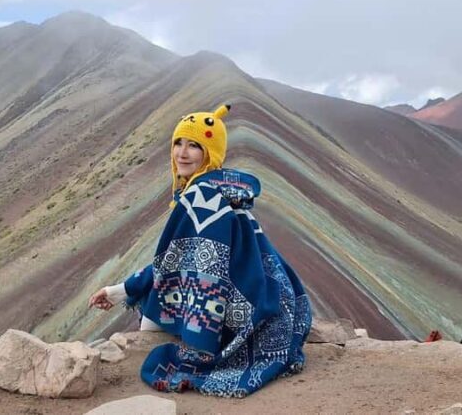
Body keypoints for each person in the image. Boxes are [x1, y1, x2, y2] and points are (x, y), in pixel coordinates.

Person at [88, 104, 312, 398]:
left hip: (238, 306)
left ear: (211, 153)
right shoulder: (223, 189)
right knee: (160, 298)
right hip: (264, 294)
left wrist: (122, 291)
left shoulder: (199, 197)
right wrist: (122, 291)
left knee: (151, 323)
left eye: (194, 146)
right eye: (178, 143)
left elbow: (177, 267)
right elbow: (179, 260)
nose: (182, 153)